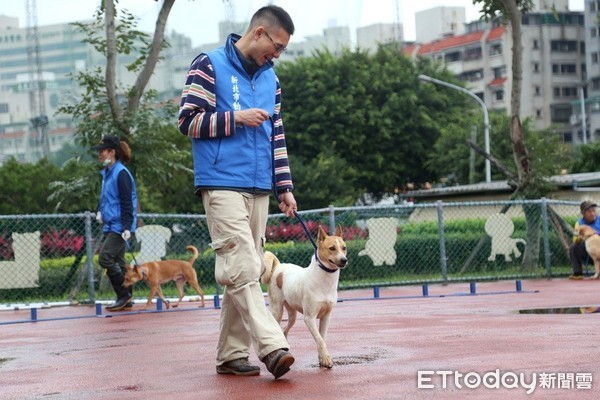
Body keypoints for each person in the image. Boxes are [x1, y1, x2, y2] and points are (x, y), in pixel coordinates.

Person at [177, 5, 297, 379]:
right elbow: (187, 121)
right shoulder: (208, 64)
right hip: (221, 180)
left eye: (282, 51)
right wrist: (237, 118)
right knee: (243, 265)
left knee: (244, 268)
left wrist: (285, 186)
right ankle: (272, 345)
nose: (276, 55)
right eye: (276, 46)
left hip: (260, 185)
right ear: (259, 32)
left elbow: (276, 135)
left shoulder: (271, 81)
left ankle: (230, 355)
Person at [93, 135, 138, 311]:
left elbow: (127, 202)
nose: (99, 154)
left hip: (120, 226)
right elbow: (107, 198)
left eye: (102, 151)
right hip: (111, 224)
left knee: (105, 258)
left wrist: (127, 226)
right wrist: (99, 210)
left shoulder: (121, 173)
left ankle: (123, 295)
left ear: (112, 152)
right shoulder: (108, 173)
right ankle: (128, 297)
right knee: (119, 262)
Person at [569, 200, 600, 280]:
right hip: (588, 251)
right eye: (589, 212)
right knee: (574, 247)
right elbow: (575, 240)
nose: (593, 213)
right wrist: (582, 235)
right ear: (583, 213)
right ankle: (577, 273)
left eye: (594, 211)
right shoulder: (579, 223)